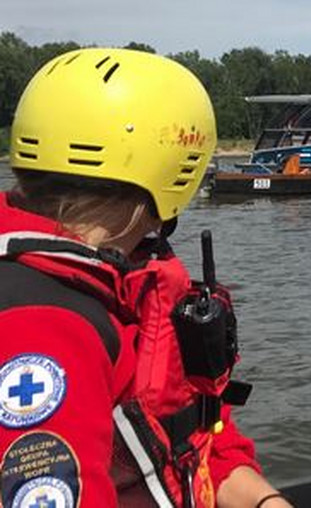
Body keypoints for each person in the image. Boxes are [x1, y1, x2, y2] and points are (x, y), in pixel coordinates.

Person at [0, 49, 289, 508]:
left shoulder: (128, 279)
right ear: (175, 170)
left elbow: (196, 433)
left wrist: (266, 503)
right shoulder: (42, 325)